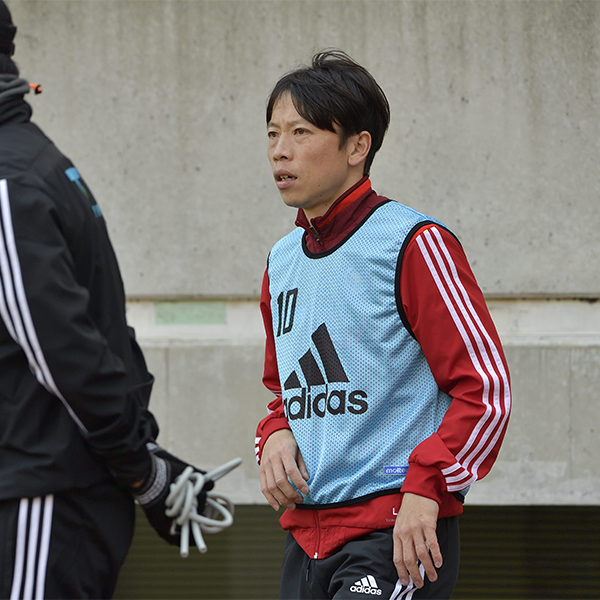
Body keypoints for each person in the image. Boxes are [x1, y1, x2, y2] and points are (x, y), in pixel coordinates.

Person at [255, 49, 511, 600]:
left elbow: (486, 391)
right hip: (306, 540)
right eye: (273, 133)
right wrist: (274, 432)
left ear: (357, 147)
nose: (279, 150)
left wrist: (428, 487)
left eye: (301, 132)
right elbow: (285, 392)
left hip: (395, 533)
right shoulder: (281, 262)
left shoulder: (413, 243)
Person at [0, 3, 227, 598]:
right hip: (51, 493)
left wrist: (141, 468)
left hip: (43, 496)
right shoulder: (36, 164)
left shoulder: (9, 180)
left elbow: (63, 351)